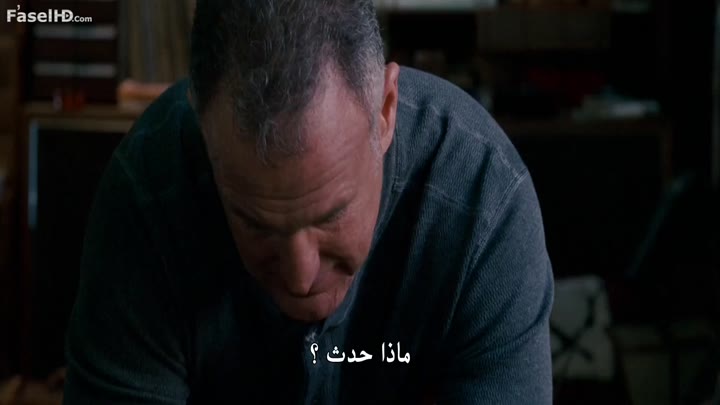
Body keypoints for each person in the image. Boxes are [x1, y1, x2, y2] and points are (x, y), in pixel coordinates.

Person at [63, 1, 554, 403]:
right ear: (202, 130)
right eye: (256, 224)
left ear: (384, 112)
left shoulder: (482, 203)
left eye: (331, 215)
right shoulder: (146, 198)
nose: (301, 276)